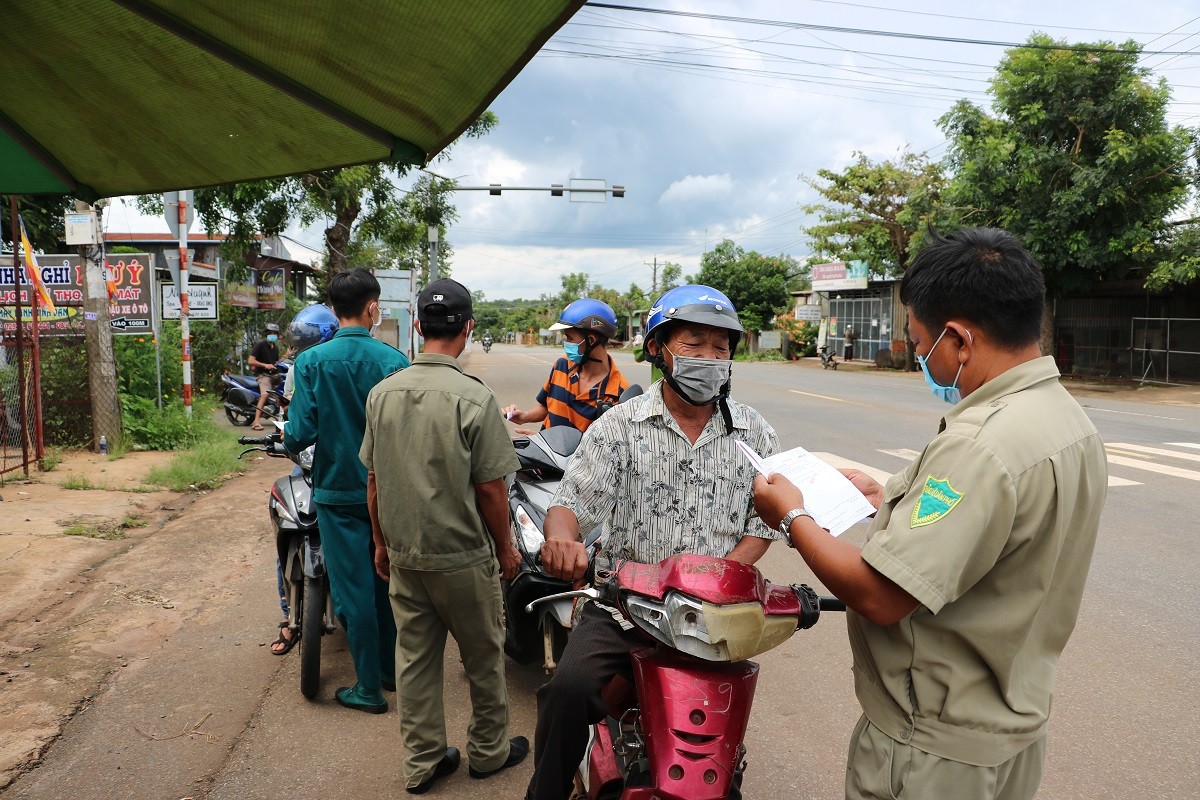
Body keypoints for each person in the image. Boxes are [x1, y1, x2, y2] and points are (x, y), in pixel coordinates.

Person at [753, 228, 1107, 800]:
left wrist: (794, 517)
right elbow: (998, 524)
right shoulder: (1067, 420)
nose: (919, 355)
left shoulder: (981, 444)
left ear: (960, 340)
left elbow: (881, 596)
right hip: (1008, 735)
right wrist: (888, 492)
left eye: (920, 342)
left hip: (932, 752)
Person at [524, 285, 783, 800]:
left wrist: (716, 582)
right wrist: (561, 541)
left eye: (721, 347)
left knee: (718, 734)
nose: (709, 358)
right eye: (694, 343)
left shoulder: (755, 433)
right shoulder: (619, 427)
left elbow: (764, 525)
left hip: (714, 617)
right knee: (569, 690)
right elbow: (569, 505)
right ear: (659, 348)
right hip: (624, 609)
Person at [361, 278, 528, 794]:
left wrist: (382, 543)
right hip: (462, 559)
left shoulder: (382, 394)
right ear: (469, 328)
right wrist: (505, 548)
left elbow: (373, 481)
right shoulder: (475, 399)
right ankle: (488, 753)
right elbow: (493, 492)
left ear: (417, 326)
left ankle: (423, 762)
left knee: (414, 661)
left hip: (407, 555)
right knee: (482, 657)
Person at [283, 269, 410, 713]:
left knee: (353, 590)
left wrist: (290, 437)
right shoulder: (395, 362)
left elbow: (297, 435)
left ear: (333, 311)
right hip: (388, 492)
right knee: (385, 582)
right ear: (372, 307)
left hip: (337, 493)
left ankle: (368, 689)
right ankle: (392, 672)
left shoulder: (311, 362)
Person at [269, 304, 339, 656]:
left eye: (307, 341)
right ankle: (286, 614)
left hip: (341, 459)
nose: (301, 349)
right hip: (308, 457)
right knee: (288, 524)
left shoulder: (338, 362)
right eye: (298, 342)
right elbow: (292, 412)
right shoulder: (298, 367)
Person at [501, 299, 629, 434]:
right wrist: (524, 417)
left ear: (591, 340)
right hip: (544, 451)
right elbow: (546, 406)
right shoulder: (562, 365)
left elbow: (604, 448)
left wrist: (547, 444)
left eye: (570, 338)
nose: (566, 343)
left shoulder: (619, 395)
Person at [247, 322, 282, 430]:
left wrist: (287, 356)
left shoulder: (275, 348)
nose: (273, 335)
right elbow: (251, 360)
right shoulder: (260, 344)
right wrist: (264, 365)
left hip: (273, 375)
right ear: (267, 333)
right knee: (265, 395)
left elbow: (275, 362)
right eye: (271, 333)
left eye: (275, 333)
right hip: (263, 375)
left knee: (285, 393)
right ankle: (256, 421)